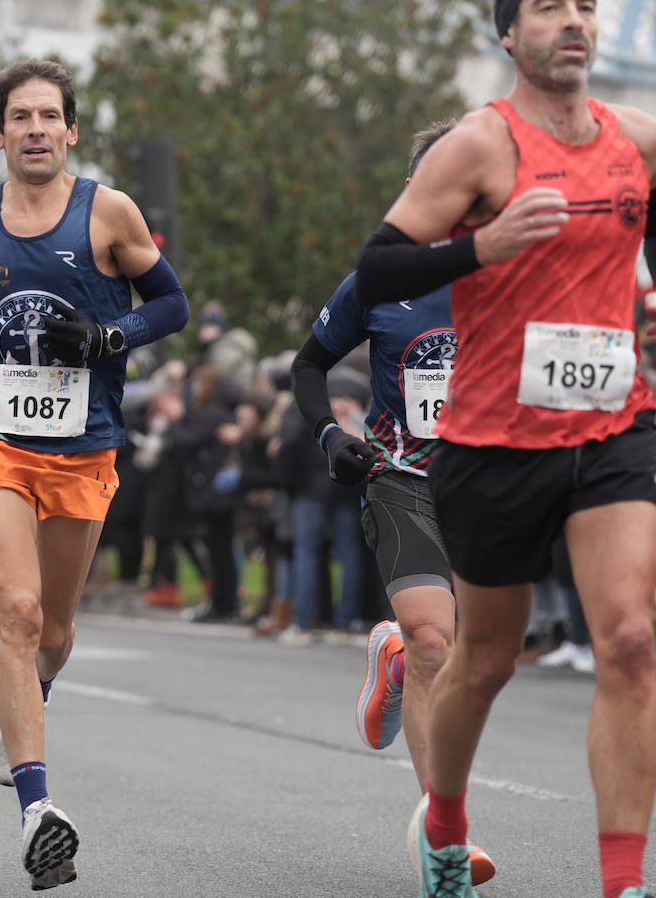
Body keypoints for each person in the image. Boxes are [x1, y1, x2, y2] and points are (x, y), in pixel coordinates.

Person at [350, 0, 656, 895]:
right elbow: (379, 266)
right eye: (550, 4)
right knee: (484, 659)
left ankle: (623, 883)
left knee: (626, 640)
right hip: (495, 439)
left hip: (613, 426)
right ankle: (445, 823)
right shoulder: (479, 146)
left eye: (587, 2)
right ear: (509, 33)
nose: (575, 19)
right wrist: (483, 245)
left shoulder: (640, 138)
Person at [0, 59, 189, 889]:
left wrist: (112, 339)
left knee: (58, 632)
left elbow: (170, 305)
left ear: (71, 130)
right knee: (19, 607)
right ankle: (38, 810)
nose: (36, 129)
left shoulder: (107, 211)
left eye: (50, 116)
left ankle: (23, 711)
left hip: (83, 444)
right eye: (20, 118)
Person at [292, 118, 498, 885]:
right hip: (402, 479)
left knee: (474, 660)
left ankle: (393, 660)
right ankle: (443, 841)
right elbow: (307, 365)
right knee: (435, 640)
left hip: (493, 488)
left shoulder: (512, 273)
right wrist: (330, 436)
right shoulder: (379, 279)